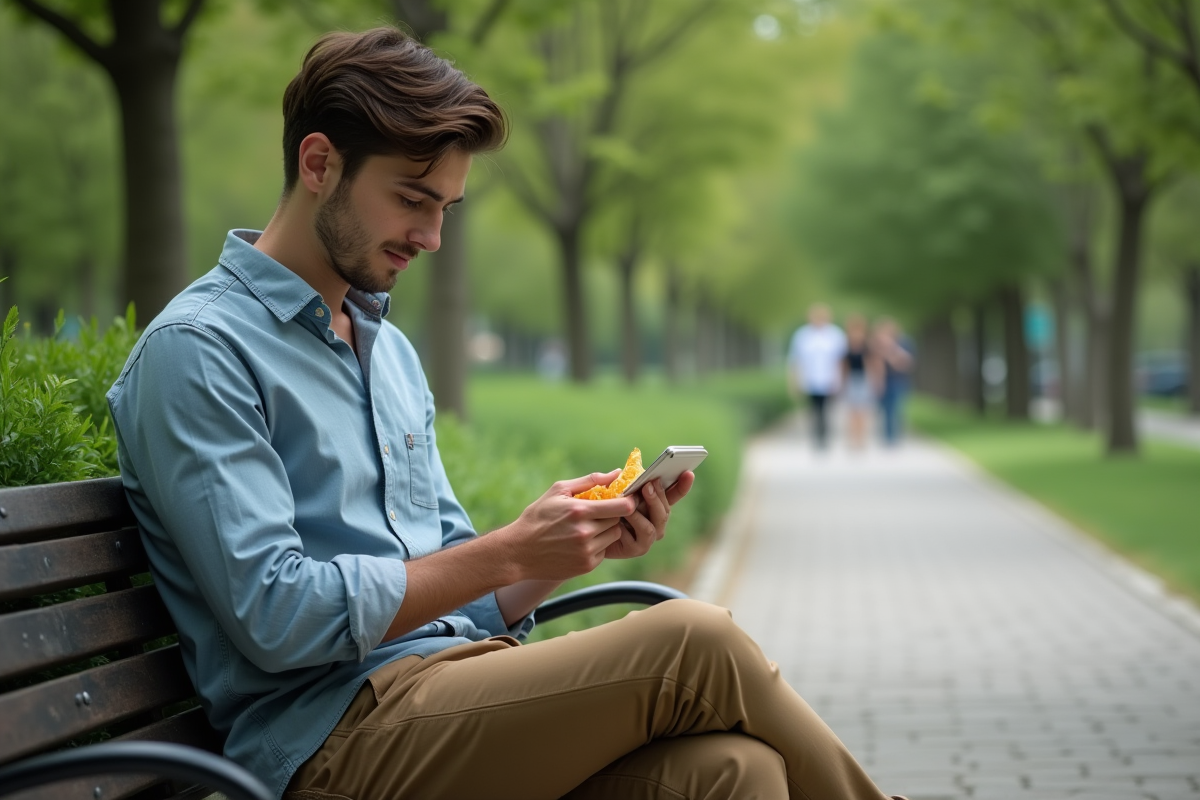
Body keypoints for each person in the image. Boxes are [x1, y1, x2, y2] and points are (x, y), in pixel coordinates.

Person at [106, 29, 905, 800]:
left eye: (447, 208)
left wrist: (555, 551)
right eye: (412, 199)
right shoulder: (200, 351)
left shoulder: (388, 351)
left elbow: (461, 587)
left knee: (736, 771)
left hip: (453, 692)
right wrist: (503, 552)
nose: (432, 236)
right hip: (332, 743)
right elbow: (276, 616)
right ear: (319, 163)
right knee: (695, 642)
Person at [787, 303, 847, 449]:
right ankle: (817, 435)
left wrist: (841, 380)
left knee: (826, 409)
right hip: (810, 379)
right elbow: (795, 360)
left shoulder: (836, 334)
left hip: (830, 379)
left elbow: (842, 360)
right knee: (814, 409)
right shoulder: (802, 335)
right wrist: (794, 382)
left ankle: (825, 435)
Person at [840, 314, 879, 450]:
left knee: (863, 411)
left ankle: (861, 439)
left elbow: (873, 364)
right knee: (852, 412)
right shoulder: (846, 345)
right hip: (851, 379)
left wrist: (875, 380)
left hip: (864, 379)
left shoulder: (868, 345)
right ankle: (853, 439)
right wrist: (842, 382)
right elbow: (843, 365)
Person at [874, 318, 914, 446]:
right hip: (883, 381)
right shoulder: (878, 345)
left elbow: (905, 363)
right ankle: (888, 434)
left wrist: (890, 350)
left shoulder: (904, 343)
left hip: (898, 381)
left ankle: (892, 435)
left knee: (896, 408)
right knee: (885, 408)